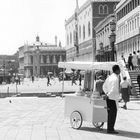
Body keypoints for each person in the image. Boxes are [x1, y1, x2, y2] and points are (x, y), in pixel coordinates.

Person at [103, 65, 120, 134]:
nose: (120, 71)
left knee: (109, 114)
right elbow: (114, 89)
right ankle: (110, 129)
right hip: (112, 99)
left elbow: (104, 86)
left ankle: (110, 128)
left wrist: (107, 93)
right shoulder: (115, 79)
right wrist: (108, 95)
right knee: (113, 114)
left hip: (108, 98)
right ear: (116, 70)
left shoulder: (109, 77)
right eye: (119, 69)